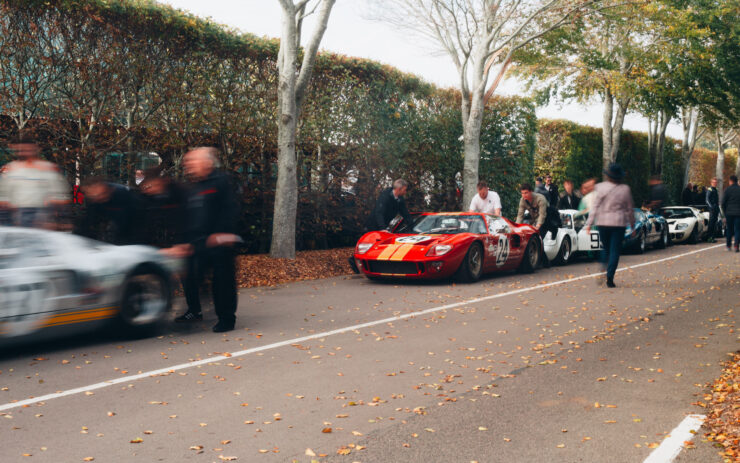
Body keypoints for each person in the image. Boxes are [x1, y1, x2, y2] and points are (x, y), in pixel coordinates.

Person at [165, 147, 240, 332]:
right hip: (198, 241)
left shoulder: (221, 182)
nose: (188, 166)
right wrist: (184, 241)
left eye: (192, 161)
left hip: (220, 241)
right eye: (187, 162)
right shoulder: (194, 187)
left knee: (222, 282)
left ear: (207, 162)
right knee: (191, 276)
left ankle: (226, 319)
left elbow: (230, 209)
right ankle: (194, 311)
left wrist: (224, 233)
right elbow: (188, 216)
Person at [0, 136, 70, 228]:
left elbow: (61, 195)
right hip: (16, 215)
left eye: (27, 149)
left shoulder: (48, 168)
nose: (24, 152)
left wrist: (52, 212)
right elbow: (3, 196)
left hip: (42, 214)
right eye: (20, 150)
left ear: (35, 149)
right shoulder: (11, 169)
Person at [585, 163, 635, 288]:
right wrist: (633, 225)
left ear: (608, 176)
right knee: (615, 251)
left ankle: (603, 263)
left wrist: (589, 223)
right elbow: (629, 209)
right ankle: (610, 278)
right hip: (619, 224)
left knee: (605, 248)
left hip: (602, 222)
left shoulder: (600, 187)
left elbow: (595, 206)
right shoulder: (625, 189)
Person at [79, 177, 140, 245]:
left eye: (101, 194)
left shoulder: (126, 196)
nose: (99, 198)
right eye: (92, 196)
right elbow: (87, 221)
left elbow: (133, 223)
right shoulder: (95, 200)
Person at [139, 168, 187, 248]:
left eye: (153, 185)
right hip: (153, 245)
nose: (149, 190)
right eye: (146, 187)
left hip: (177, 245)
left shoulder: (180, 194)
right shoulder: (146, 199)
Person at [516, 183, 558, 268]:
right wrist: (517, 227)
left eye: (526, 193)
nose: (524, 195)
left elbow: (542, 215)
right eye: (522, 193)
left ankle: (543, 262)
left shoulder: (540, 199)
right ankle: (545, 263)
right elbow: (520, 215)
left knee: (538, 238)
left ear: (531, 192)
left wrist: (537, 227)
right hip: (535, 219)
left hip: (546, 220)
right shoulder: (522, 200)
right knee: (537, 240)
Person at [721, 175, 740, 252]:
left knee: (729, 229)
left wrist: (725, 212)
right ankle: (736, 245)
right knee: (738, 230)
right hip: (738, 213)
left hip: (729, 213)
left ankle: (728, 245)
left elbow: (723, 203)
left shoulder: (727, 190)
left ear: (731, 181)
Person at [705, 177, 720, 243]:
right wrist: (711, 207)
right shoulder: (710, 189)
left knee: (714, 223)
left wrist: (718, 208)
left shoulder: (715, 189)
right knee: (711, 223)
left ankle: (712, 237)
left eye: (716, 182)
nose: (715, 183)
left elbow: (716, 200)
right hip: (712, 209)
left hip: (716, 208)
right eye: (714, 182)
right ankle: (709, 237)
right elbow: (707, 200)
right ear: (711, 183)